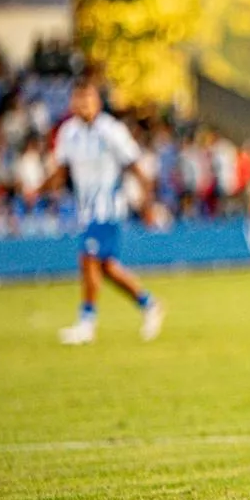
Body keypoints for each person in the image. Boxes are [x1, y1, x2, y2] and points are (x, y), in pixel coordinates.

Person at [52, 78, 165, 345]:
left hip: (108, 208)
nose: (83, 105)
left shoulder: (111, 130)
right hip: (85, 209)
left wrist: (147, 205)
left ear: (97, 102)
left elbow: (136, 166)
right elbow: (60, 170)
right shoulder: (68, 132)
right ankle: (149, 304)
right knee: (106, 267)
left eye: (87, 99)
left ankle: (86, 323)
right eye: (78, 99)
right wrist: (37, 191)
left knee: (88, 257)